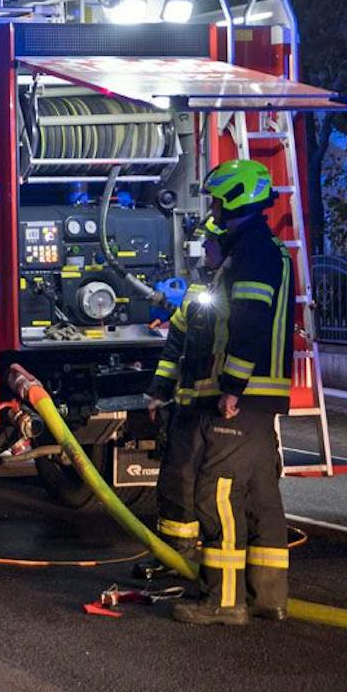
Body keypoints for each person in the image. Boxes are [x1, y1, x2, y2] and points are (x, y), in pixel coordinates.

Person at [174, 159, 294, 626]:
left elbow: (248, 322)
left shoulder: (252, 255)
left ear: (235, 200)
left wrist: (231, 386)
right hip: (262, 398)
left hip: (244, 397)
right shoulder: (266, 249)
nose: (215, 210)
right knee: (261, 496)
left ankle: (224, 602)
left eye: (219, 201)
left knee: (217, 492)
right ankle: (269, 598)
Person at [135, 219, 226, 580]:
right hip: (188, 406)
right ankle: (176, 558)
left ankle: (221, 568)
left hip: (222, 409)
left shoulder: (236, 289)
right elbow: (175, 346)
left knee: (214, 489)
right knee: (177, 483)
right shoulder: (198, 290)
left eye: (209, 245)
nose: (202, 251)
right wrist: (159, 392)